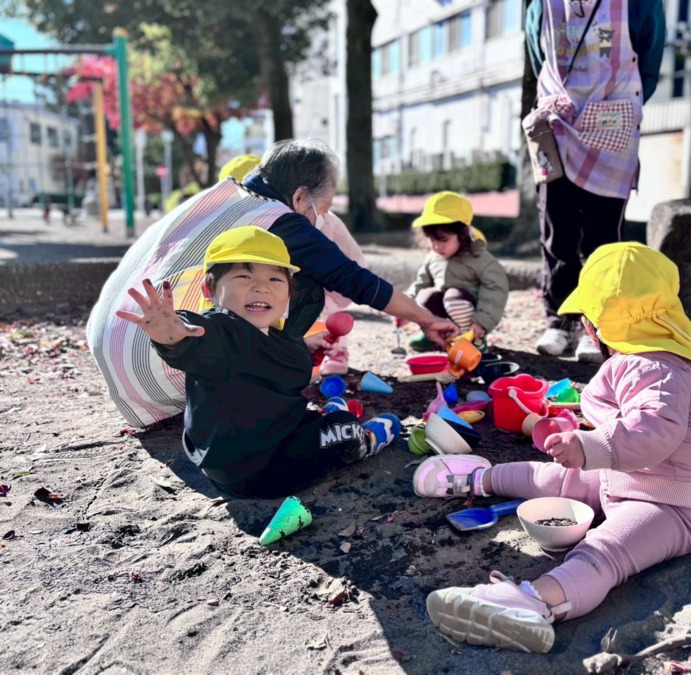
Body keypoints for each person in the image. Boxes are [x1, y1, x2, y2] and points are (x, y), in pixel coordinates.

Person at [412, 242, 691, 653]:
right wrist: (586, 444)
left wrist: (590, 445)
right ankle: (481, 477)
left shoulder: (656, 363)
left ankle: (534, 604)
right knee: (555, 477)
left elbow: (655, 429)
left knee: (604, 551)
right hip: (630, 477)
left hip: (672, 505)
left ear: (598, 323)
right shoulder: (649, 354)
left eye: (587, 317)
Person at [88, 139, 457, 428]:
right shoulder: (281, 220)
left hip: (122, 355)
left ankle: (273, 352)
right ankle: (271, 372)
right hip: (166, 361)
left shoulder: (224, 197)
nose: (321, 219)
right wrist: (426, 320)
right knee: (300, 281)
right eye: (322, 209)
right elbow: (356, 282)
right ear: (299, 197)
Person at [116, 226, 401, 499]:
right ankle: (365, 442)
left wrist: (308, 345)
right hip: (260, 471)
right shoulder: (219, 330)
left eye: (275, 280)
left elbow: (268, 353)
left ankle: (323, 420)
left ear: (289, 293)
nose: (261, 288)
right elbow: (195, 341)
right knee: (343, 426)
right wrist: (173, 335)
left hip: (257, 441)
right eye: (243, 277)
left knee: (310, 418)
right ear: (209, 290)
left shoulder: (272, 333)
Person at [525, 0, 666, 362]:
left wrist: (614, 105)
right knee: (557, 228)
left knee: (604, 235)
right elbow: (536, 56)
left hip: (613, 123)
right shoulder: (542, 4)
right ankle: (559, 319)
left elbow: (649, 61)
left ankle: (598, 324)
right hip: (557, 125)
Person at [219, 153, 366, 376]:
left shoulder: (318, 221)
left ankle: (336, 350)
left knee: (312, 299)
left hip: (335, 284)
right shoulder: (254, 226)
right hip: (296, 280)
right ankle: (288, 350)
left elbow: (343, 268)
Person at [405, 191, 509, 352]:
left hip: (469, 313)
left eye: (443, 240)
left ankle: (473, 339)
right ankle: (433, 333)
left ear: (462, 234)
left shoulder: (479, 258)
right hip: (444, 314)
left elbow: (495, 289)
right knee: (424, 296)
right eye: (432, 240)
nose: (437, 246)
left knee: (453, 297)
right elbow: (420, 284)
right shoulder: (433, 258)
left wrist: (481, 322)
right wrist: (405, 306)